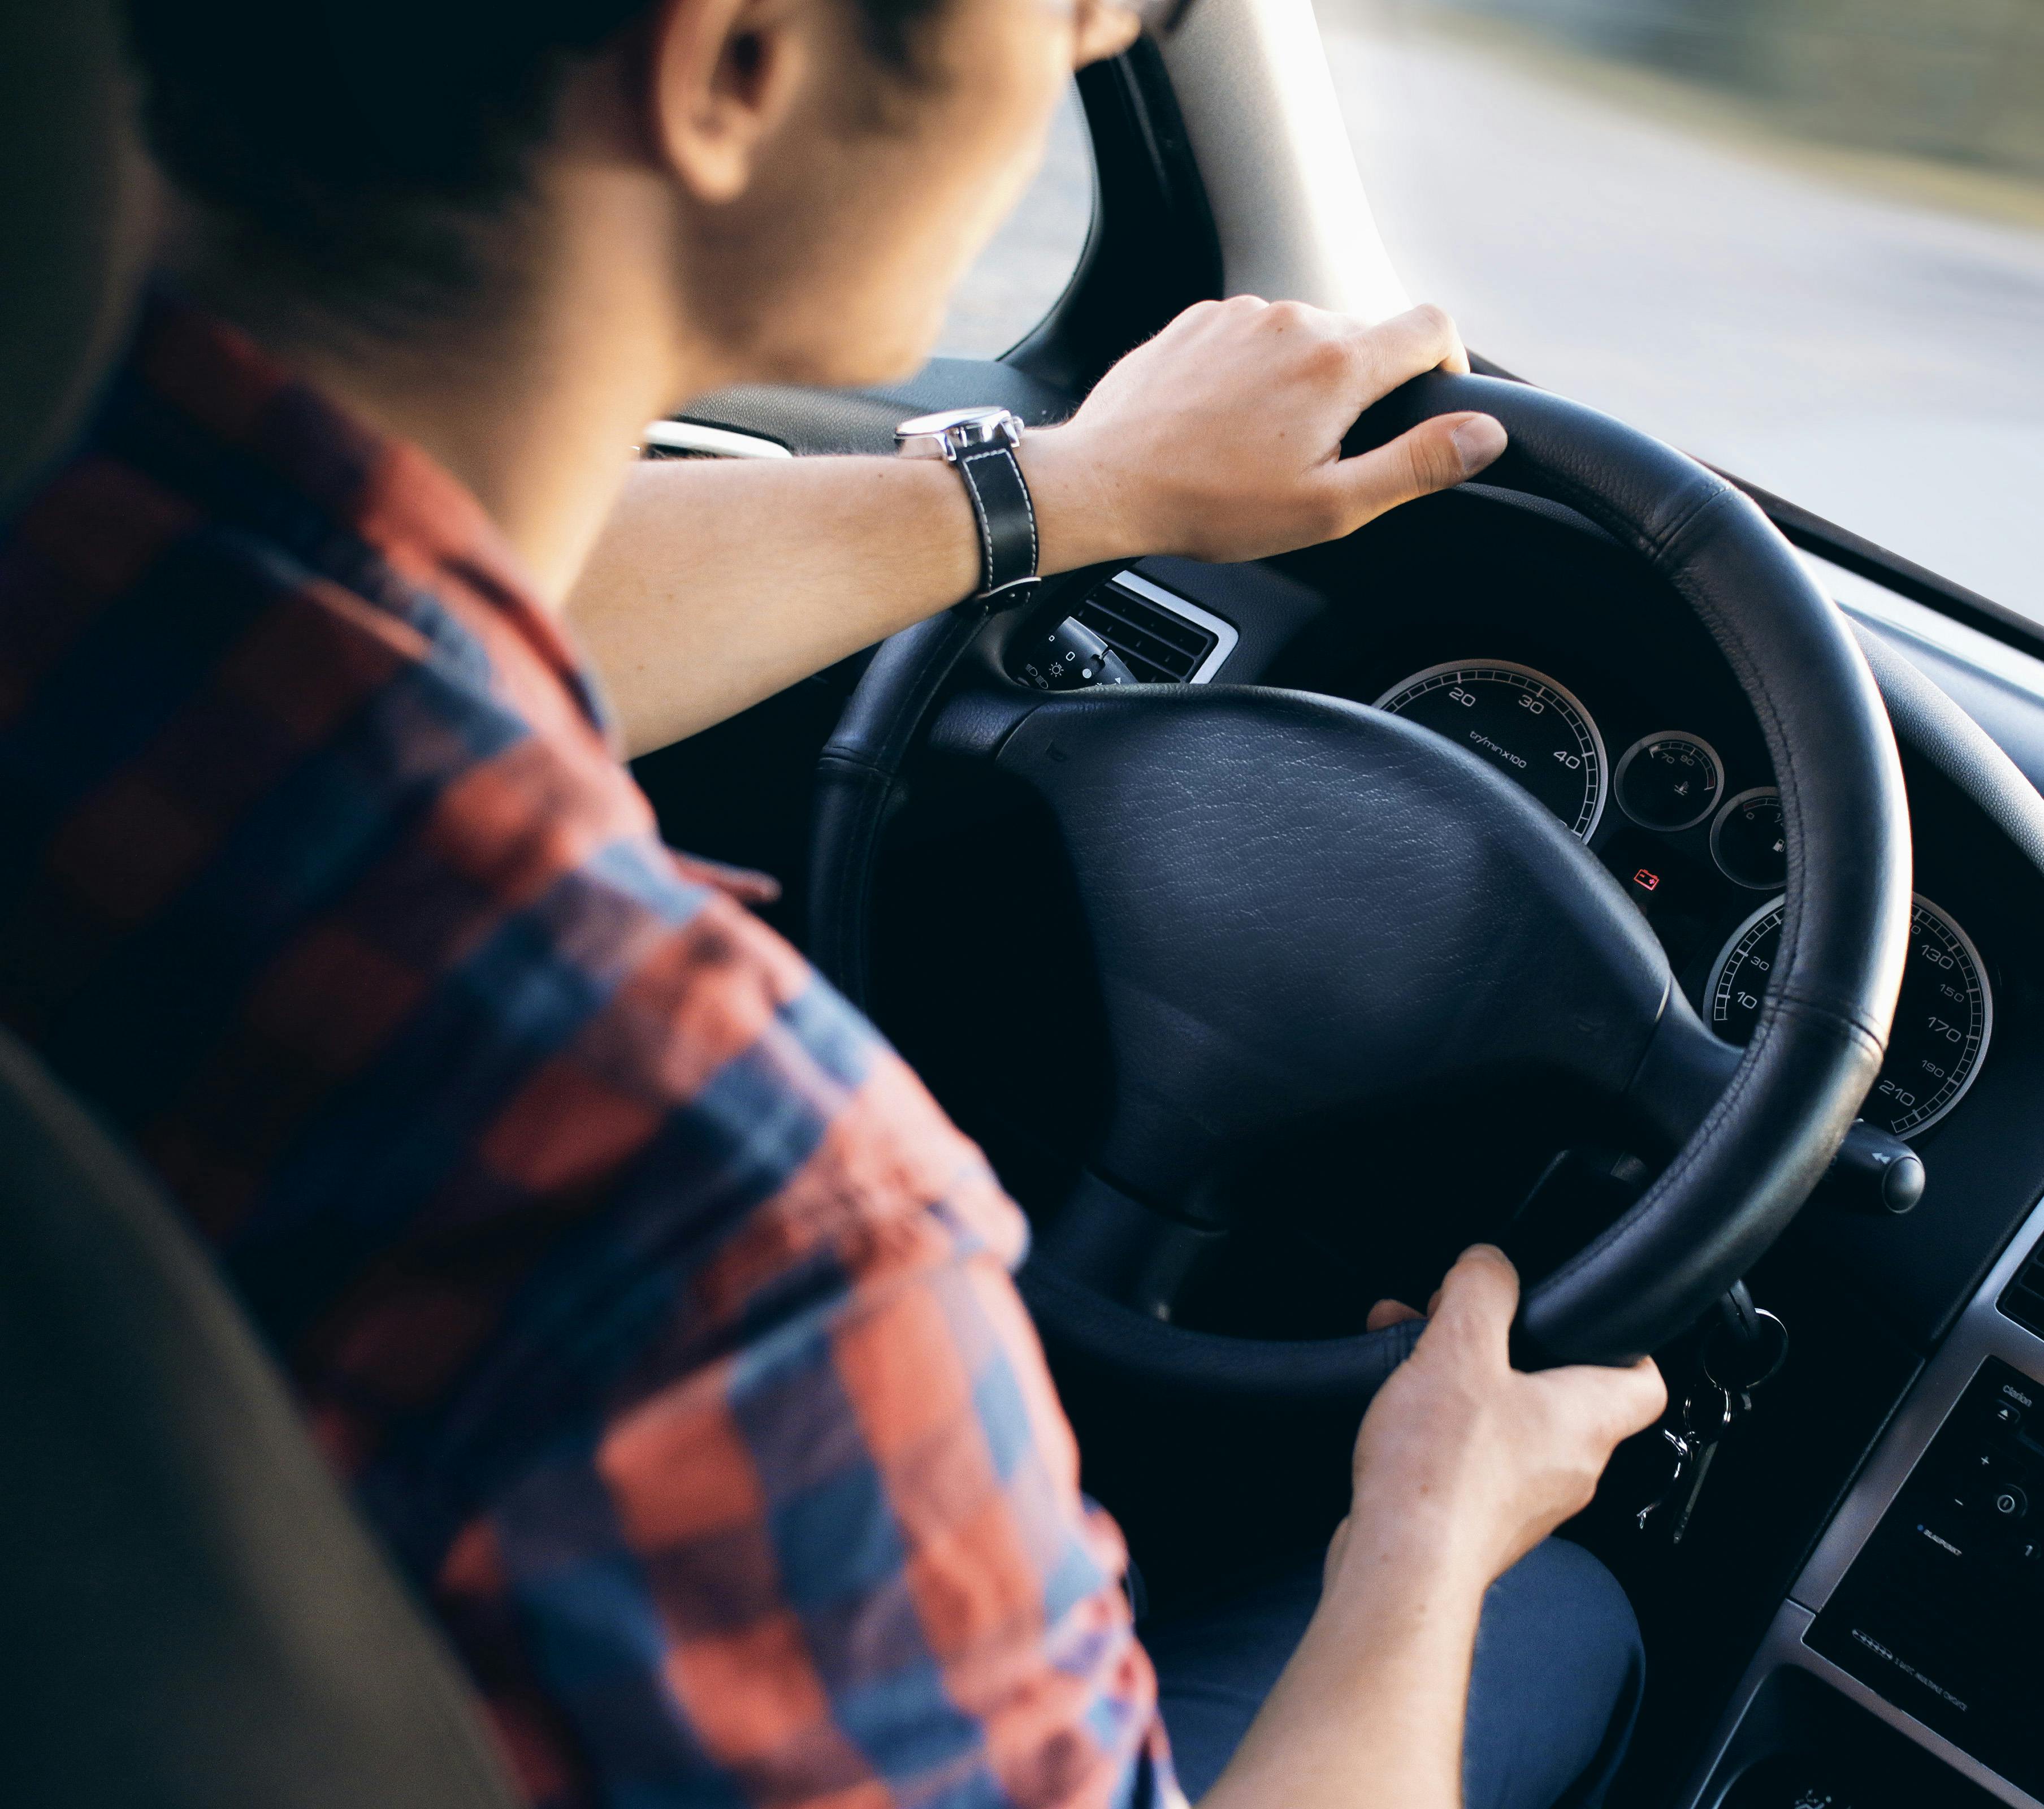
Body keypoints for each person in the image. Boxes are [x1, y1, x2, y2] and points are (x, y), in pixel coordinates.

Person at [0, 1, 1670, 1807]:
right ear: (735, 65)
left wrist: (1072, 489)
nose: (1096, 34)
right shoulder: (732, 1224)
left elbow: (433, 610)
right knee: (1551, 1620)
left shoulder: (86, 544)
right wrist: (1424, 1530)